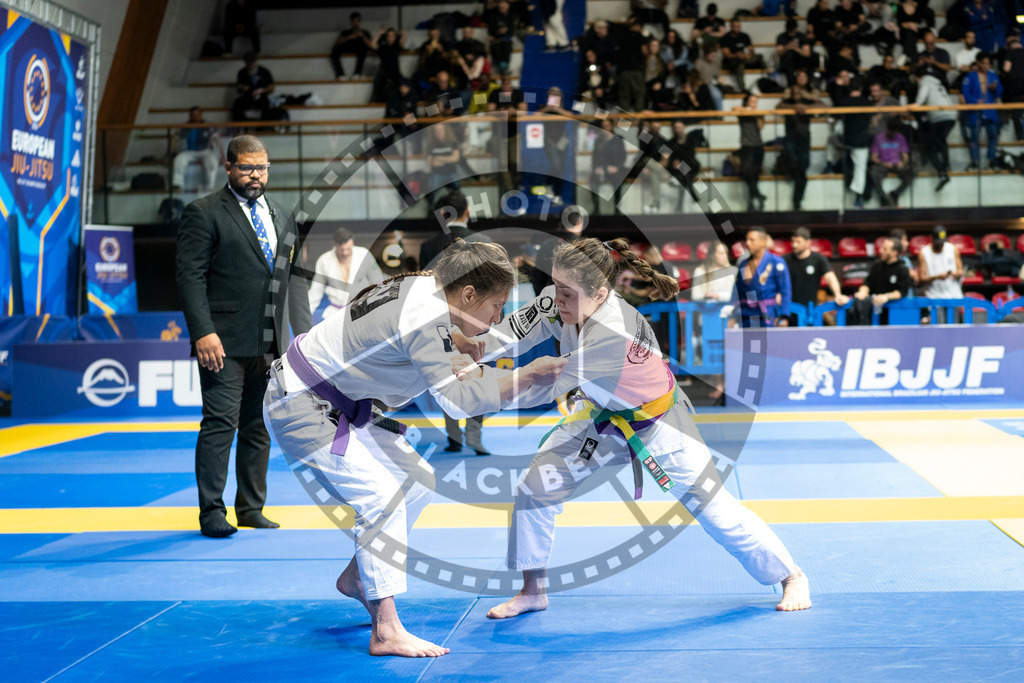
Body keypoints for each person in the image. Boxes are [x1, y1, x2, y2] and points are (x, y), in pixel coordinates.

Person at [462, 238, 811, 620]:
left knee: (715, 510)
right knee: (535, 487)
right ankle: (532, 591)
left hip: (659, 423)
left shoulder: (613, 334)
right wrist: (471, 345)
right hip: (601, 415)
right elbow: (514, 329)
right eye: (556, 287)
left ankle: (791, 575)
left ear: (600, 293)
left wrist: (472, 387)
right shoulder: (561, 297)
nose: (557, 300)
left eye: (568, 293)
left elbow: (542, 387)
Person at [263, 240, 567, 656]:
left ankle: (357, 578)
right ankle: (385, 631)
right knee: (380, 497)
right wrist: (527, 376)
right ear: (468, 294)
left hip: (341, 399)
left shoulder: (428, 288)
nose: (497, 315)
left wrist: (517, 324)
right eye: (496, 305)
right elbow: (458, 402)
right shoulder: (425, 320)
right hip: (301, 402)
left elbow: (466, 342)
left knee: (419, 481)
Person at [176, 135, 312, 538]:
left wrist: (302, 341)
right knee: (220, 423)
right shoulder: (203, 213)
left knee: (259, 425)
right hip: (223, 341)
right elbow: (190, 277)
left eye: (263, 167)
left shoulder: (283, 216)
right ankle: (211, 514)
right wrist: (203, 332)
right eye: (248, 168)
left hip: (270, 343)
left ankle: (251, 507)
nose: (256, 175)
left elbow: (297, 283)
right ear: (229, 167)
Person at [418, 191, 494, 454]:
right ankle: (475, 434)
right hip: (477, 320)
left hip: (441, 320)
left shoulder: (429, 246)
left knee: (446, 374)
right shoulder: (484, 242)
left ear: (443, 214)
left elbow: (421, 288)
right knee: (479, 375)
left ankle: (454, 436)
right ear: (467, 212)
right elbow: (496, 286)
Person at [308, 228, 385, 322]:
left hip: (362, 310)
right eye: (342, 250)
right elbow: (315, 292)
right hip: (335, 312)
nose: (345, 253)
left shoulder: (364, 254)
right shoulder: (324, 260)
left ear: (352, 243)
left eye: (348, 249)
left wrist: (381, 309)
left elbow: (378, 282)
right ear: (334, 244)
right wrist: (305, 317)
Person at [784, 227, 849, 323]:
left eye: (798, 242)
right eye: (793, 241)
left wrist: (837, 294)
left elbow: (830, 277)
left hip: (811, 308)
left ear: (808, 243)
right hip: (789, 308)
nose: (794, 245)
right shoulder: (785, 260)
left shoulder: (818, 259)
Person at [733, 227, 791, 327]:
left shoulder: (775, 261)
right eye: (747, 239)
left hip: (768, 314)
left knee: (769, 342)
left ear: (763, 242)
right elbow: (737, 290)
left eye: (752, 240)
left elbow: (785, 290)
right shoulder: (743, 264)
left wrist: (784, 315)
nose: (747, 243)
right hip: (746, 314)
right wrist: (732, 315)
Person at [912, 64, 957, 189]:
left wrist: (913, 106)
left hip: (940, 116)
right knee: (940, 141)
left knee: (929, 146)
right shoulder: (937, 82)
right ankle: (946, 166)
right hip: (951, 115)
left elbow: (920, 101)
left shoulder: (925, 81)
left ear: (918, 77)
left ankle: (943, 172)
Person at [849, 236, 911, 324]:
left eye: (885, 249)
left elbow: (902, 291)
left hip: (893, 313)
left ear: (894, 252)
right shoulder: (877, 265)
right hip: (873, 311)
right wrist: (863, 291)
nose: (881, 251)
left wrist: (886, 296)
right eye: (882, 248)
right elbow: (867, 283)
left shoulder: (902, 269)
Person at [776, 80, 817, 211]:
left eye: (798, 93)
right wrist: (794, 107)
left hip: (804, 140)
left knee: (803, 167)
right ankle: (796, 200)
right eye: (794, 93)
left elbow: (824, 105)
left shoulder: (807, 101)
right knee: (794, 162)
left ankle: (797, 201)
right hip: (791, 139)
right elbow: (778, 106)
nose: (796, 95)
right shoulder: (787, 102)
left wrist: (806, 108)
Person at [962, 54, 1003, 170]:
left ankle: (992, 160)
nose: (986, 66)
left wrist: (995, 89)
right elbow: (966, 94)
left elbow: (1000, 93)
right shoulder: (970, 77)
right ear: (978, 63)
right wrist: (975, 101)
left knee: (993, 134)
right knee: (974, 136)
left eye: (988, 63)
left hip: (990, 110)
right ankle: (974, 161)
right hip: (975, 111)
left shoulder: (993, 76)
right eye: (983, 63)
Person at [838, 77, 873, 208]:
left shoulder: (844, 101)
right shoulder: (865, 102)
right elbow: (871, 119)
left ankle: (829, 164)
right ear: (860, 88)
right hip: (861, 140)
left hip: (847, 139)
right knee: (860, 168)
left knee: (850, 166)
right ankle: (858, 197)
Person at [918, 225, 964, 322]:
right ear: (932, 239)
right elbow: (922, 278)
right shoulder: (924, 253)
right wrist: (937, 277)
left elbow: (960, 271)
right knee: (938, 329)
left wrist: (954, 274)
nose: (940, 245)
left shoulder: (952, 249)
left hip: (953, 296)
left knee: (954, 328)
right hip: (935, 298)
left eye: (942, 243)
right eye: (938, 242)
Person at [173, 106, 222, 193]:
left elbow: (217, 140)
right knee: (179, 160)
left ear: (201, 115)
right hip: (188, 151)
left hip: (204, 151)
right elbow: (175, 139)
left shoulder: (208, 125)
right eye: (193, 115)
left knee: (212, 162)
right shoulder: (184, 127)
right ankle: (178, 185)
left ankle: (209, 187)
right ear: (190, 116)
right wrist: (168, 153)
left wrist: (223, 155)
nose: (196, 117)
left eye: (198, 114)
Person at [869, 118, 914, 207]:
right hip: (883, 165)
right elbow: (873, 157)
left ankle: (895, 194)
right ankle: (883, 198)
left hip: (897, 164)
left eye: (894, 132)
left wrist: (902, 163)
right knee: (873, 173)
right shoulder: (879, 138)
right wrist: (883, 163)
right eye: (891, 131)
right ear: (887, 129)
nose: (893, 134)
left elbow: (905, 156)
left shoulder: (900, 137)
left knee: (911, 172)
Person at [734, 93, 766, 212]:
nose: (754, 104)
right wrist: (748, 109)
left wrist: (756, 114)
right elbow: (734, 109)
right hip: (746, 146)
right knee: (746, 171)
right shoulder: (743, 113)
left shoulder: (759, 114)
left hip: (758, 146)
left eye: (755, 102)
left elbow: (761, 126)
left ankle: (752, 201)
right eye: (751, 101)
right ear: (747, 102)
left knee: (755, 174)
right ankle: (758, 195)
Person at [232, 52, 275, 122]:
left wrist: (261, 91)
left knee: (265, 104)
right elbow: (239, 88)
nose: (251, 65)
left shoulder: (264, 72)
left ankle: (262, 126)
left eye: (252, 63)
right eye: (249, 63)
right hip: (248, 96)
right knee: (238, 103)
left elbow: (271, 87)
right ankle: (240, 125)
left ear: (256, 61)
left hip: (261, 96)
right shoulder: (242, 72)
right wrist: (242, 87)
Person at [330, 12, 372, 80]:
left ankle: (357, 73)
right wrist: (349, 37)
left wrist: (362, 36)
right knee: (335, 50)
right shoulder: (346, 32)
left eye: (357, 21)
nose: (355, 23)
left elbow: (371, 45)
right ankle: (340, 74)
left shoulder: (365, 32)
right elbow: (337, 42)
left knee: (363, 48)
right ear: (351, 22)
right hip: (348, 47)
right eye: (353, 22)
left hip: (360, 49)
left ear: (359, 22)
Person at [370, 28, 407, 103]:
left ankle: (401, 102)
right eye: (389, 36)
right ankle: (374, 100)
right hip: (383, 71)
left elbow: (405, 35)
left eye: (392, 36)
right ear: (386, 37)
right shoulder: (382, 46)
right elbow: (372, 44)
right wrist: (379, 34)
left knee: (402, 84)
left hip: (395, 71)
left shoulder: (397, 46)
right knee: (377, 82)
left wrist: (397, 32)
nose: (390, 38)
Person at [720, 18, 757, 90]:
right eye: (736, 27)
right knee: (739, 65)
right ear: (731, 27)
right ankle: (742, 88)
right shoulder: (725, 38)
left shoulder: (745, 36)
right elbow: (726, 55)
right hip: (732, 61)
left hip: (744, 58)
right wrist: (737, 55)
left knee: (759, 57)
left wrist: (749, 55)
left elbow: (751, 49)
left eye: (739, 26)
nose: (738, 29)